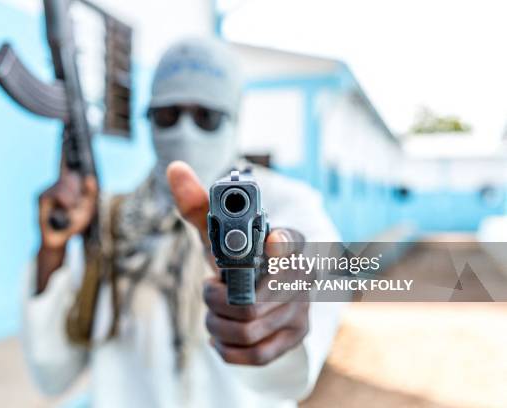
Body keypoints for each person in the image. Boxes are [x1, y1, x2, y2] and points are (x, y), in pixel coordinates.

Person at [22, 37, 345, 407]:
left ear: (234, 119)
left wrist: (273, 314)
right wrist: (54, 249)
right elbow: (54, 372)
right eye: (167, 116)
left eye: (207, 116)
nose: (184, 132)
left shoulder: (289, 205)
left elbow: (291, 375)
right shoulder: (110, 219)